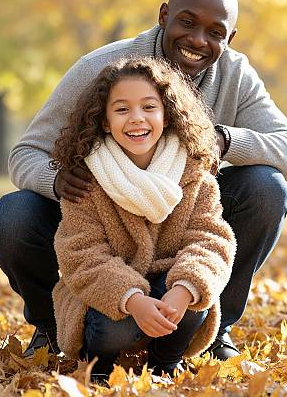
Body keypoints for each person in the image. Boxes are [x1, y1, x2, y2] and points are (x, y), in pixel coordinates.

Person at [0, 0, 287, 360]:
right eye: (187, 22)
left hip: (181, 220)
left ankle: (214, 327)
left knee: (267, 187)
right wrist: (57, 181)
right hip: (98, 213)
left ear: (230, 38)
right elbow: (25, 153)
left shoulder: (235, 75)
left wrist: (222, 140)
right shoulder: (104, 68)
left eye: (215, 32)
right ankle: (51, 328)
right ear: (164, 16)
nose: (197, 40)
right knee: (13, 216)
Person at [51, 57, 236, 377]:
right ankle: (101, 367)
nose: (136, 118)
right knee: (116, 329)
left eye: (149, 107)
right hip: (110, 293)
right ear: (105, 121)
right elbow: (80, 254)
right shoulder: (88, 177)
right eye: (122, 109)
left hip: (168, 283)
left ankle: (165, 363)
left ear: (167, 114)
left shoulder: (193, 172)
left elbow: (211, 239)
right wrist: (133, 299)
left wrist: (184, 288)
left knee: (196, 299)